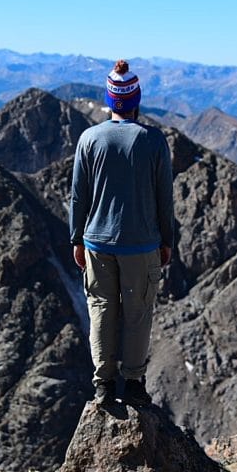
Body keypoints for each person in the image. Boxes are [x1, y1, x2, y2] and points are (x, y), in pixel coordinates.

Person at [69, 60, 174, 407]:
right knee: (138, 312)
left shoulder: (89, 139)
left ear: (110, 101)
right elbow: (164, 196)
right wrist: (167, 240)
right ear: (136, 100)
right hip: (141, 244)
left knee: (101, 309)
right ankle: (132, 382)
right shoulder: (154, 141)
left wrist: (76, 238)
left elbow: (78, 195)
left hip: (97, 242)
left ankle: (103, 384)